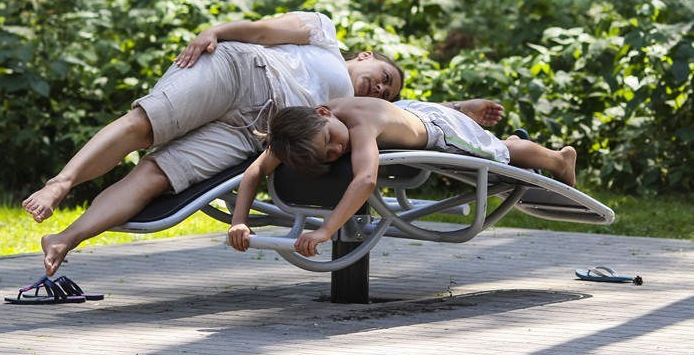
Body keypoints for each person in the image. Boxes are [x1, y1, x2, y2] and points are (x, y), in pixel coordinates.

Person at [23, 11, 500, 276]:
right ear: (366, 56)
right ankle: (60, 184)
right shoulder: (324, 35)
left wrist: (464, 107)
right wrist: (215, 32)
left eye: (388, 91)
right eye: (382, 78)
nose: (380, 90)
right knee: (144, 125)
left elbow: (417, 116)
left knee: (154, 175)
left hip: (250, 135)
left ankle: (64, 239)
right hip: (242, 74)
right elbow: (263, 31)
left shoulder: (349, 116)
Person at [227, 97, 577, 257]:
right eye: (329, 155)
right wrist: (239, 221)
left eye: (331, 140)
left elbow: (365, 180)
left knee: (500, 153)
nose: (337, 150)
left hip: (437, 129)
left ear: (323, 112)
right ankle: (469, 113)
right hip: (409, 111)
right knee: (495, 146)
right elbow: (257, 169)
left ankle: (558, 159)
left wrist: (324, 230)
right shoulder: (297, 134)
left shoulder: (358, 124)